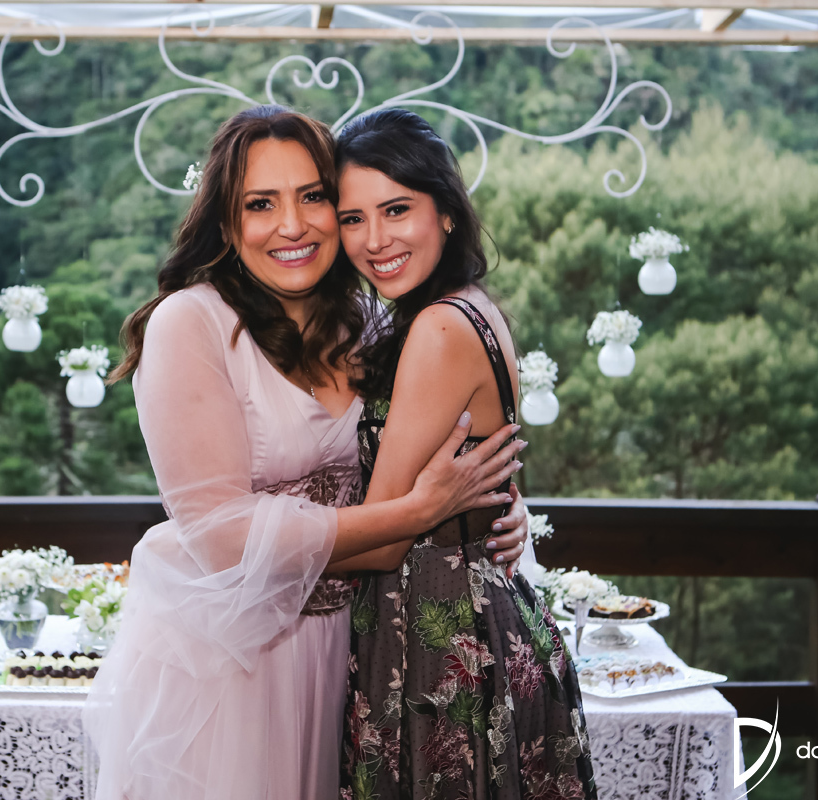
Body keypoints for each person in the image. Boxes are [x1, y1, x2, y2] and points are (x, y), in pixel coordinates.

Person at [82, 105, 531, 800]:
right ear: (225, 223)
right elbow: (218, 535)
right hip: (235, 659)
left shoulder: (367, 322)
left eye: (313, 197)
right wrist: (420, 512)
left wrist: (493, 507)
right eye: (260, 204)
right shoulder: (190, 323)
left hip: (350, 648)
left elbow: (429, 438)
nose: (291, 225)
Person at [334, 108, 598, 800]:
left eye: (396, 209)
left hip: (443, 640)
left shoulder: (440, 327)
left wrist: (246, 548)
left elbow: (379, 543)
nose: (375, 239)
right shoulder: (467, 307)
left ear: (446, 211)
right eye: (353, 218)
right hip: (472, 614)